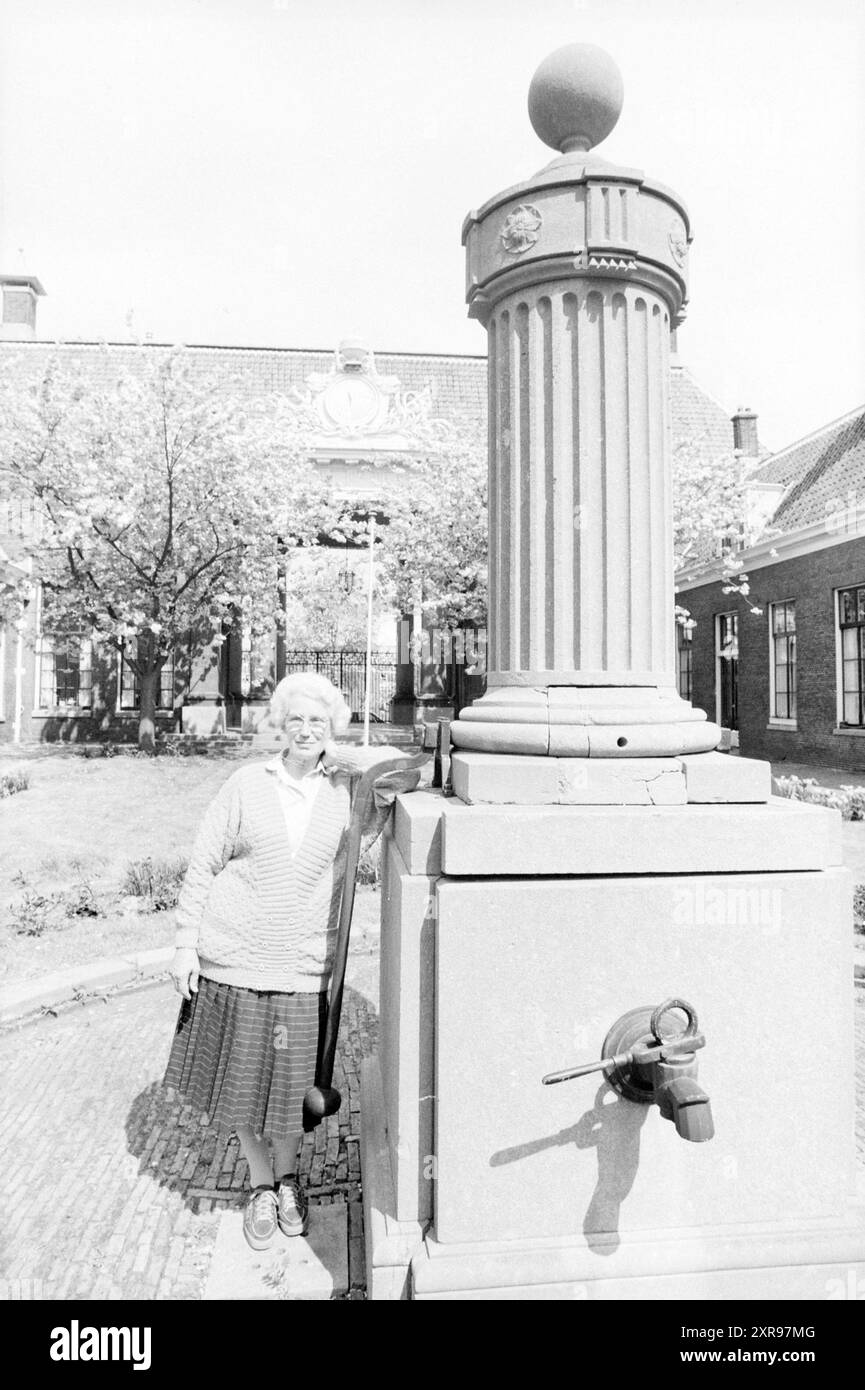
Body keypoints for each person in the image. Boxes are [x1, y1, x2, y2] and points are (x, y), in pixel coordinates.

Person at [163, 671, 419, 1251]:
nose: (306, 731)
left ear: (334, 728)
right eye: (296, 719)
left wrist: (343, 754)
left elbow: (406, 769)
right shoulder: (247, 783)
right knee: (244, 1088)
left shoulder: (348, 794)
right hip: (234, 961)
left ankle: (287, 1179)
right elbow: (204, 864)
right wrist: (184, 944)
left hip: (304, 970)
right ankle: (260, 1185)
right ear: (279, 725)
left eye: (319, 722)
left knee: (293, 1095)